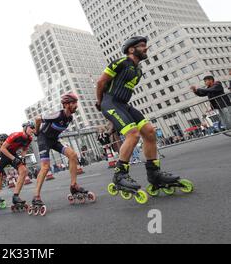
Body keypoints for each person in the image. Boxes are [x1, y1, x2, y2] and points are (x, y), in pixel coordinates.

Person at [96, 36, 188, 201]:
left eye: (146, 46)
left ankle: (154, 174)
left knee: (149, 131)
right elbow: (101, 81)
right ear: (132, 49)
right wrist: (100, 101)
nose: (146, 48)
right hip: (110, 102)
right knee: (133, 133)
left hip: (123, 105)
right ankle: (120, 175)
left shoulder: (138, 71)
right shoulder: (121, 62)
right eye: (142, 46)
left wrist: (114, 120)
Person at [32, 93, 95, 211]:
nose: (76, 105)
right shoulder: (57, 115)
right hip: (43, 140)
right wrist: (36, 132)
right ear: (66, 105)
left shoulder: (69, 118)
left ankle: (73, 186)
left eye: (76, 103)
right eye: (74, 103)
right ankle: (36, 196)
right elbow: (37, 118)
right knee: (45, 167)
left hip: (54, 140)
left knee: (73, 155)